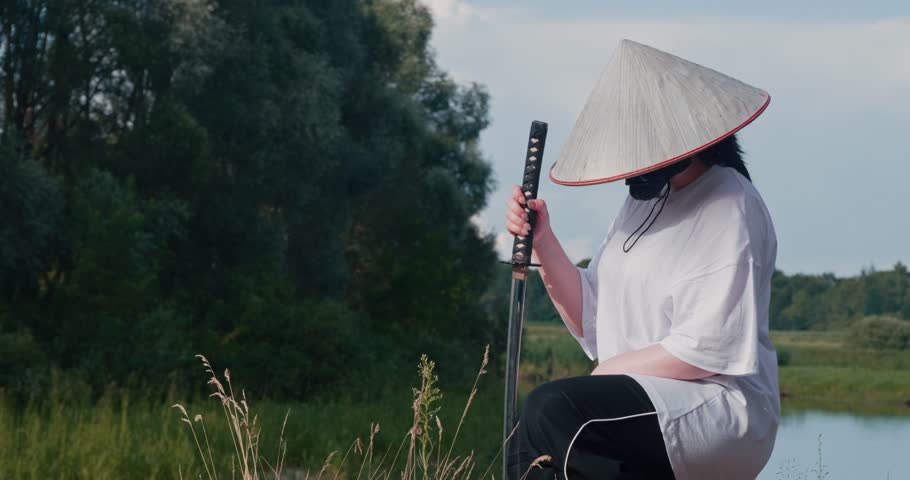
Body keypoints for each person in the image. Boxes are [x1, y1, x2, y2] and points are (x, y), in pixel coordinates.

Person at [503, 39, 780, 480]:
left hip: (718, 403)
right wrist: (543, 241)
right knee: (531, 440)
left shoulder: (731, 202)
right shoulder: (641, 203)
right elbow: (595, 319)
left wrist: (610, 370)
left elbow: (708, 349)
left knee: (554, 408)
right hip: (641, 395)